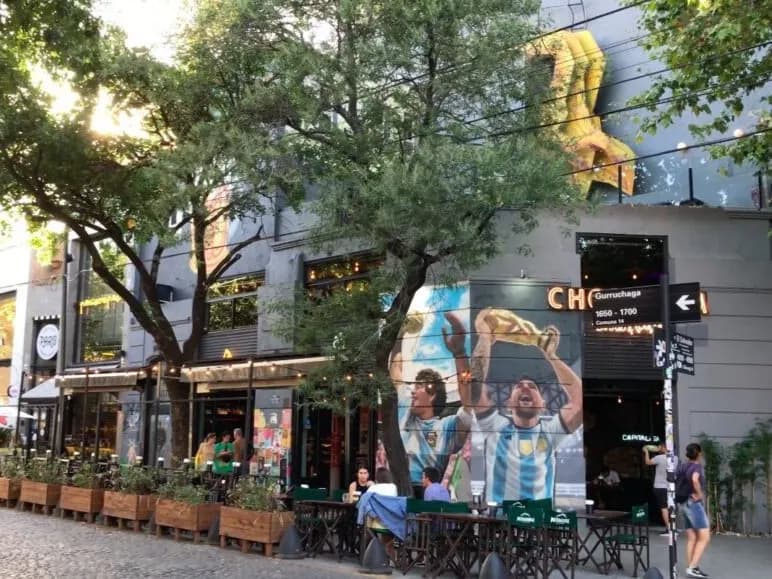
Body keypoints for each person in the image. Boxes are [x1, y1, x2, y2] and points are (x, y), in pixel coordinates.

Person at [470, 308, 583, 504]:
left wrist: (551, 356)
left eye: (532, 387)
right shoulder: (494, 426)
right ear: (508, 403)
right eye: (519, 386)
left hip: (539, 520)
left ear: (543, 404)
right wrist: (485, 337)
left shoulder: (551, 431)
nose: (525, 387)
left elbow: (580, 399)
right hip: (499, 519)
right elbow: (475, 387)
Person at [390, 313, 472, 493]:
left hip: (429, 493)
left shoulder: (447, 427)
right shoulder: (405, 410)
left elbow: (468, 403)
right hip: (400, 489)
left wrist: (459, 354)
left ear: (433, 395)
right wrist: (399, 334)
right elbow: (395, 369)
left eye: (419, 386)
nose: (413, 391)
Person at [681, 443, 710, 578]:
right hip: (694, 504)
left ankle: (692, 567)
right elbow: (694, 479)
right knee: (705, 537)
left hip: (684, 503)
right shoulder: (697, 466)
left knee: (692, 537)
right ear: (699, 453)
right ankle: (692, 568)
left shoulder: (683, 466)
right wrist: (700, 495)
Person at [644, 442, 678, 535]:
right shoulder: (675, 458)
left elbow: (647, 462)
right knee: (671, 507)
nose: (658, 447)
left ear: (664, 447)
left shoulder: (659, 457)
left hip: (660, 486)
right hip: (670, 487)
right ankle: (673, 528)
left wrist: (646, 451)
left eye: (660, 446)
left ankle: (669, 529)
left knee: (664, 508)